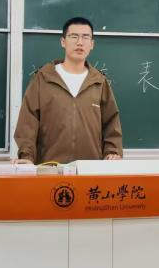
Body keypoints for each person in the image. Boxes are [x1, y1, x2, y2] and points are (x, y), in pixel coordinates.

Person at [14, 17, 123, 164]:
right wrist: (26, 157)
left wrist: (112, 151)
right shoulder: (43, 78)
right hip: (49, 168)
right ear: (63, 42)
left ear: (92, 44)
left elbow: (111, 121)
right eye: (74, 36)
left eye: (85, 37)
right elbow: (28, 120)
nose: (80, 42)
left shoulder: (99, 82)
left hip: (90, 169)